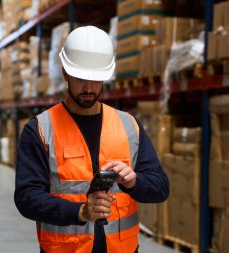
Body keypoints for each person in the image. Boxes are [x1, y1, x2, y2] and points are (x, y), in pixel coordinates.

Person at [14, 26, 169, 253]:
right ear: (66, 73)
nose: (88, 88)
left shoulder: (128, 125)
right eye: (80, 78)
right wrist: (80, 212)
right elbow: (27, 198)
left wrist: (134, 181)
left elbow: (161, 188)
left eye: (95, 80)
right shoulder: (39, 129)